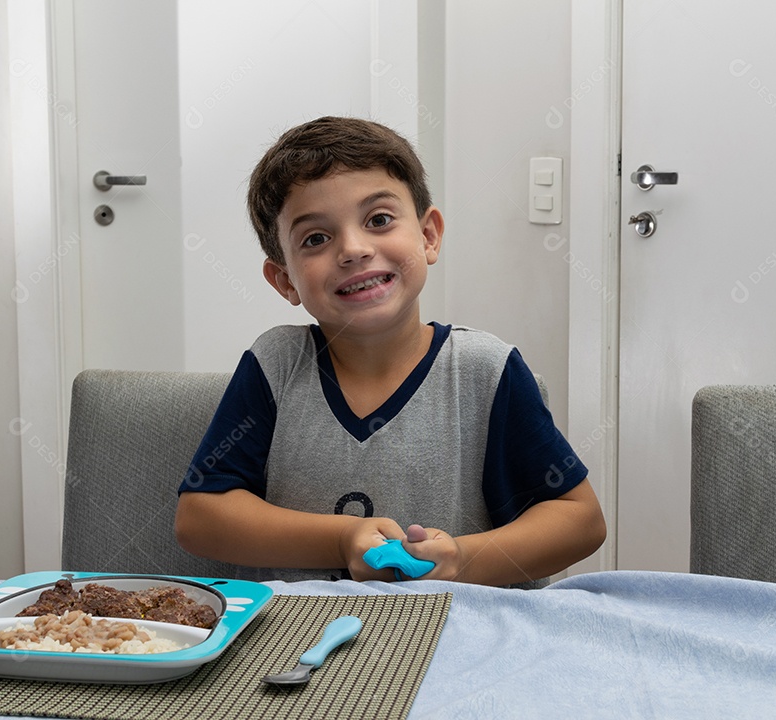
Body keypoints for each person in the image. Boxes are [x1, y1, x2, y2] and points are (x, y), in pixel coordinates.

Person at [174, 116, 605, 585]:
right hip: (300, 641)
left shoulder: (485, 370)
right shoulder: (275, 364)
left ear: (428, 235)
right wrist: (340, 539)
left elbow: (579, 520)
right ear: (284, 280)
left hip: (458, 633)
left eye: (378, 220)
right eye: (316, 238)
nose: (354, 249)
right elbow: (199, 518)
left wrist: (461, 558)